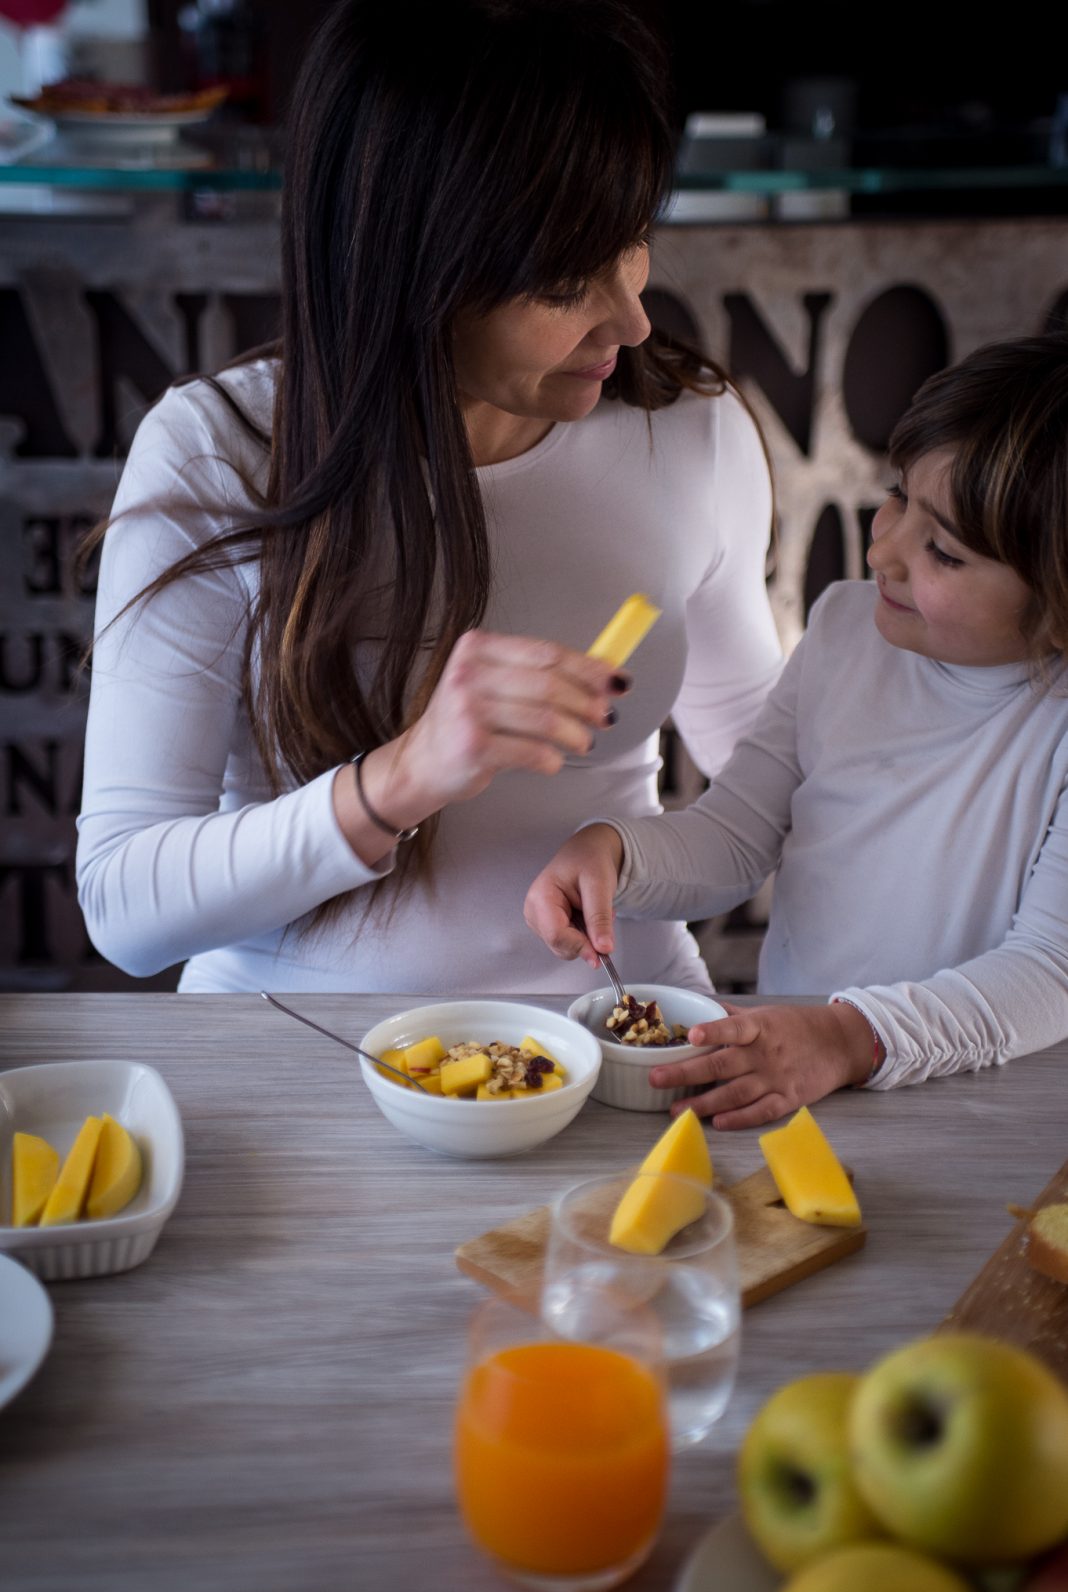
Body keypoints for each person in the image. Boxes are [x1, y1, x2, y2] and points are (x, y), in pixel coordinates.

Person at [75, 0, 782, 995]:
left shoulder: (693, 434)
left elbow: (770, 786)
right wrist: (398, 779)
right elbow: (123, 908)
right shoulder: (219, 453)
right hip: (288, 1056)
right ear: (409, 268)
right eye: (559, 283)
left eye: (629, 240)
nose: (629, 316)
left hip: (620, 1039)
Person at [525, 334, 1068, 1126]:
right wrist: (617, 853)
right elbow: (738, 836)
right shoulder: (846, 629)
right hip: (790, 1080)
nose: (882, 550)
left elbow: (1048, 972)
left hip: (976, 1106)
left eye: (943, 552)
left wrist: (847, 1038)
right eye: (896, 497)